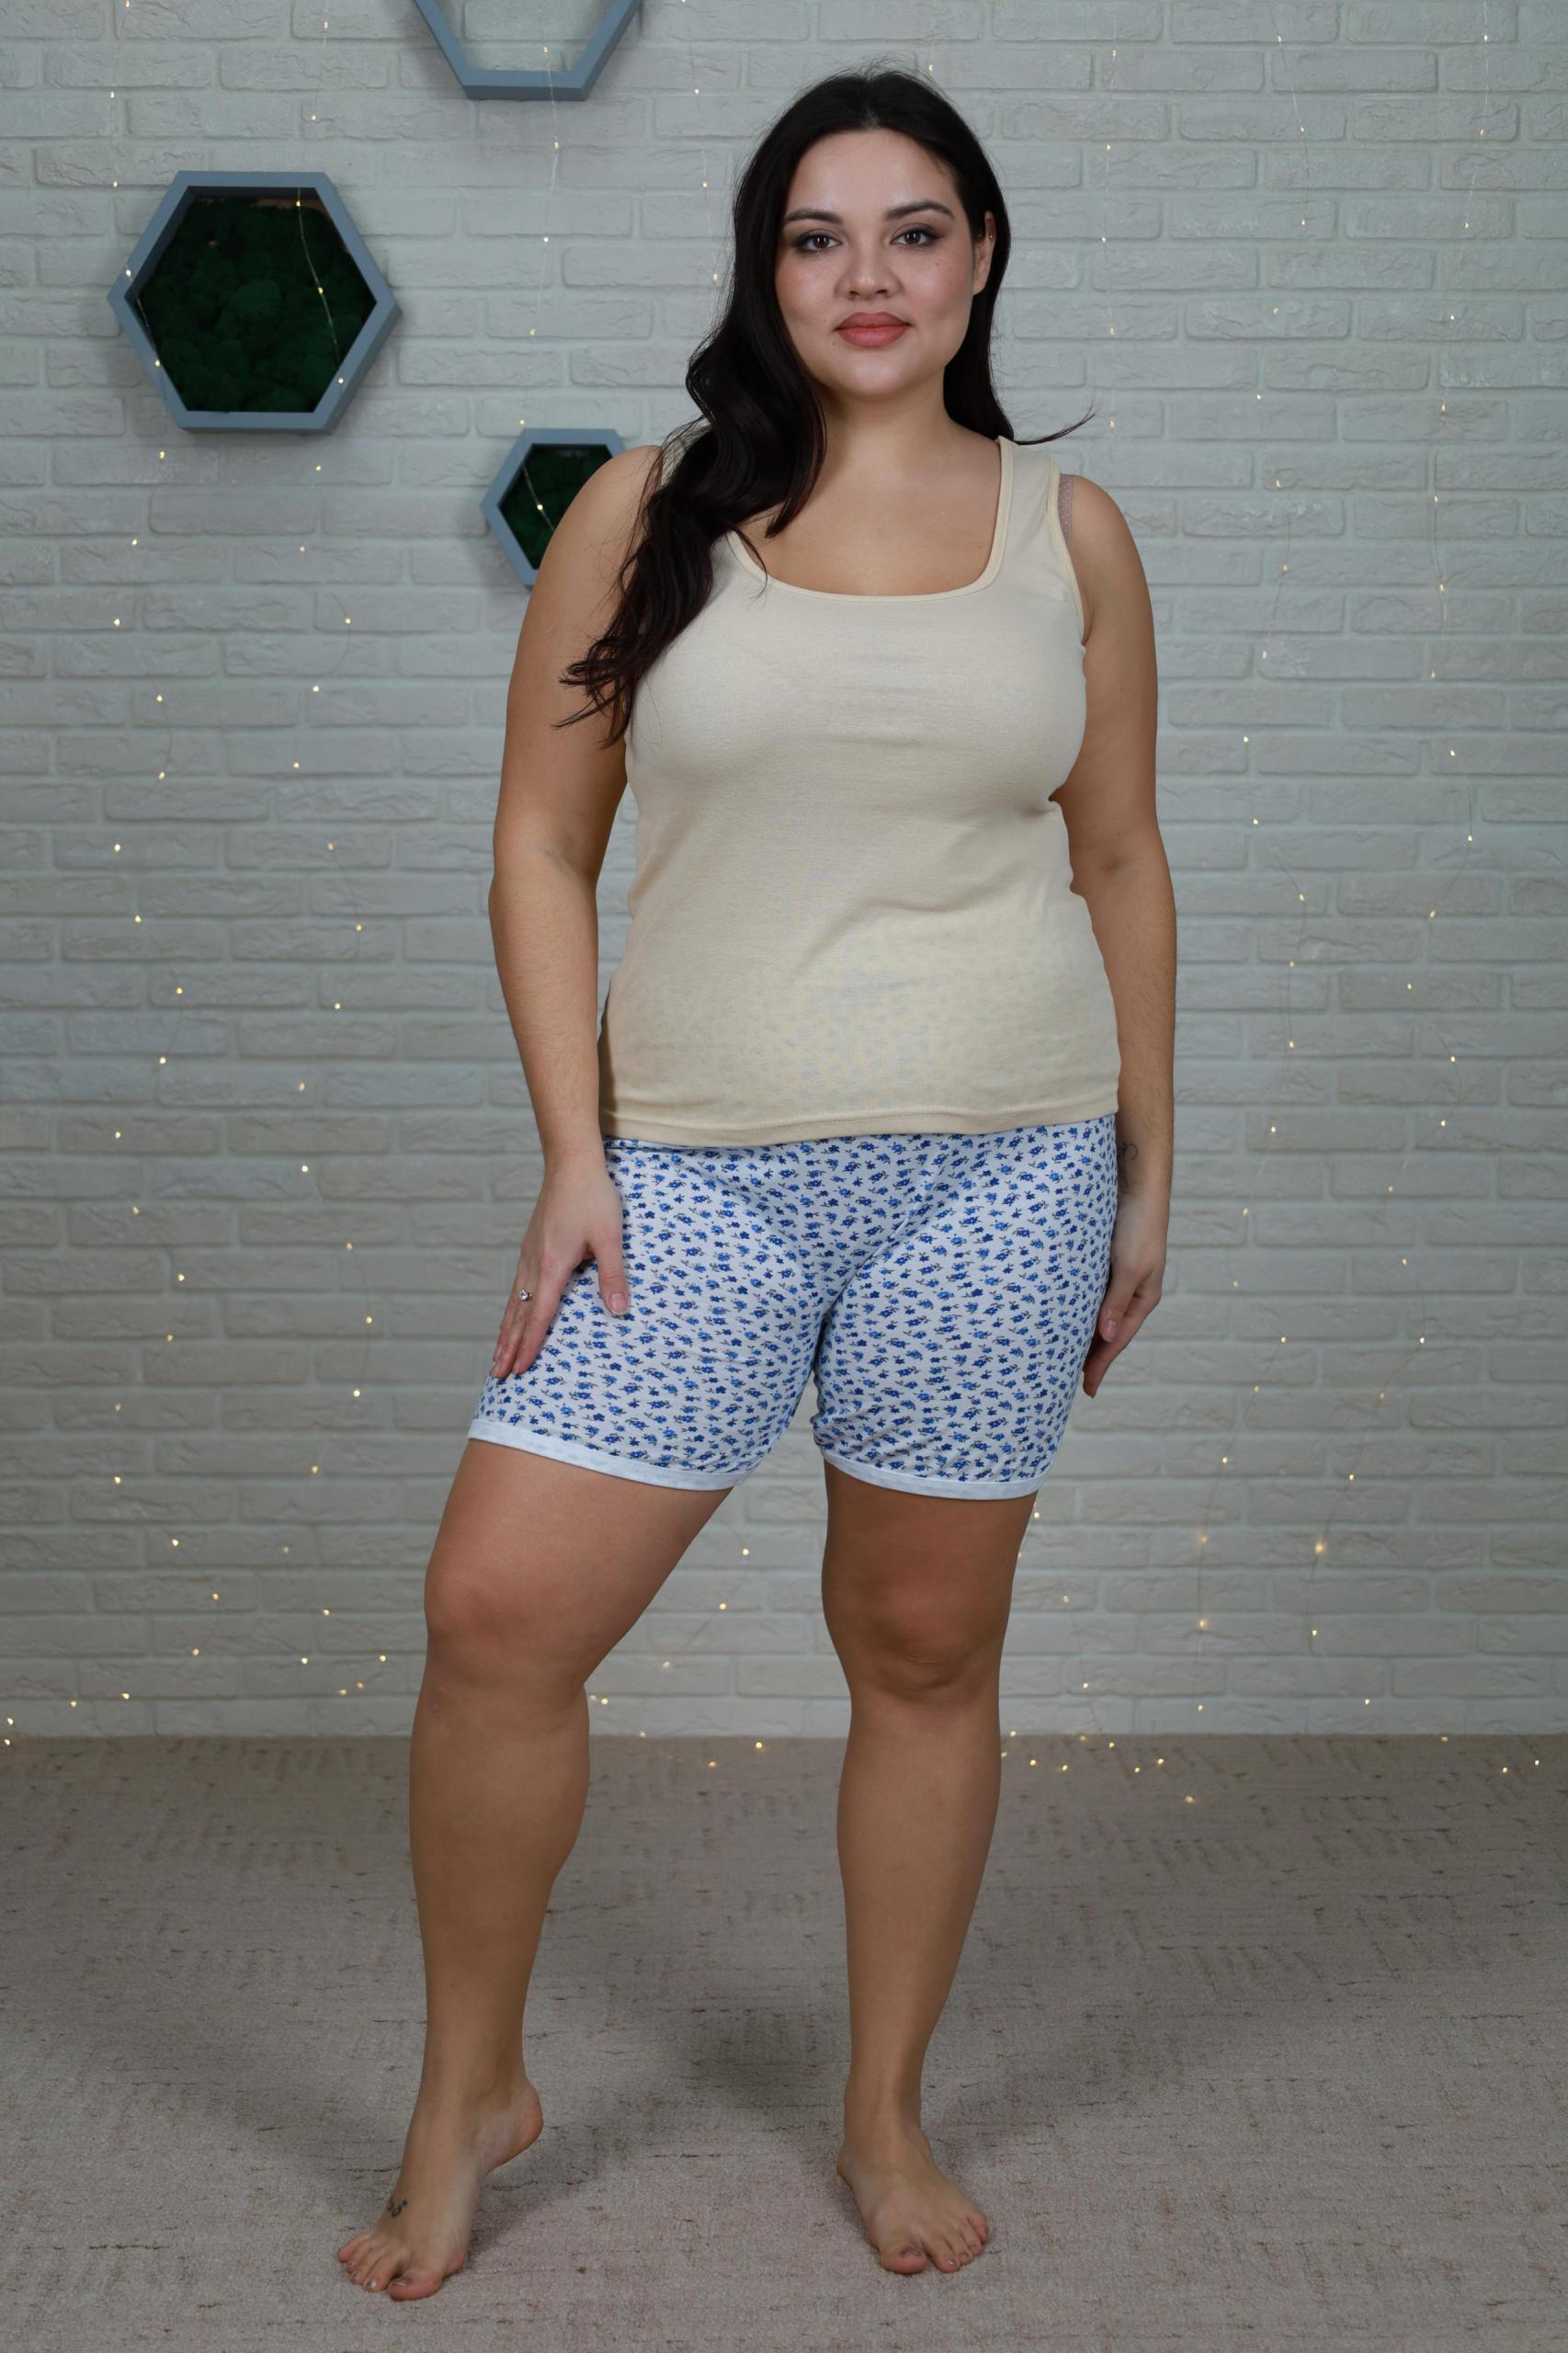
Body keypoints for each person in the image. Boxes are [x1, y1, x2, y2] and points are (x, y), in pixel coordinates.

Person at [336, 63, 1173, 2303]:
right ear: (764, 269)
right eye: (818, 235)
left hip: (1003, 1168)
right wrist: (572, 1152)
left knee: (923, 1646)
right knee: (498, 1614)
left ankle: (884, 2105)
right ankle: (467, 2088)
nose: (865, 275)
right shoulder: (648, 508)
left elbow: (1117, 858)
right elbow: (538, 845)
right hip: (693, 1174)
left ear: (978, 257)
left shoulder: (1070, 535)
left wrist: (1146, 1164)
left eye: (912, 229)